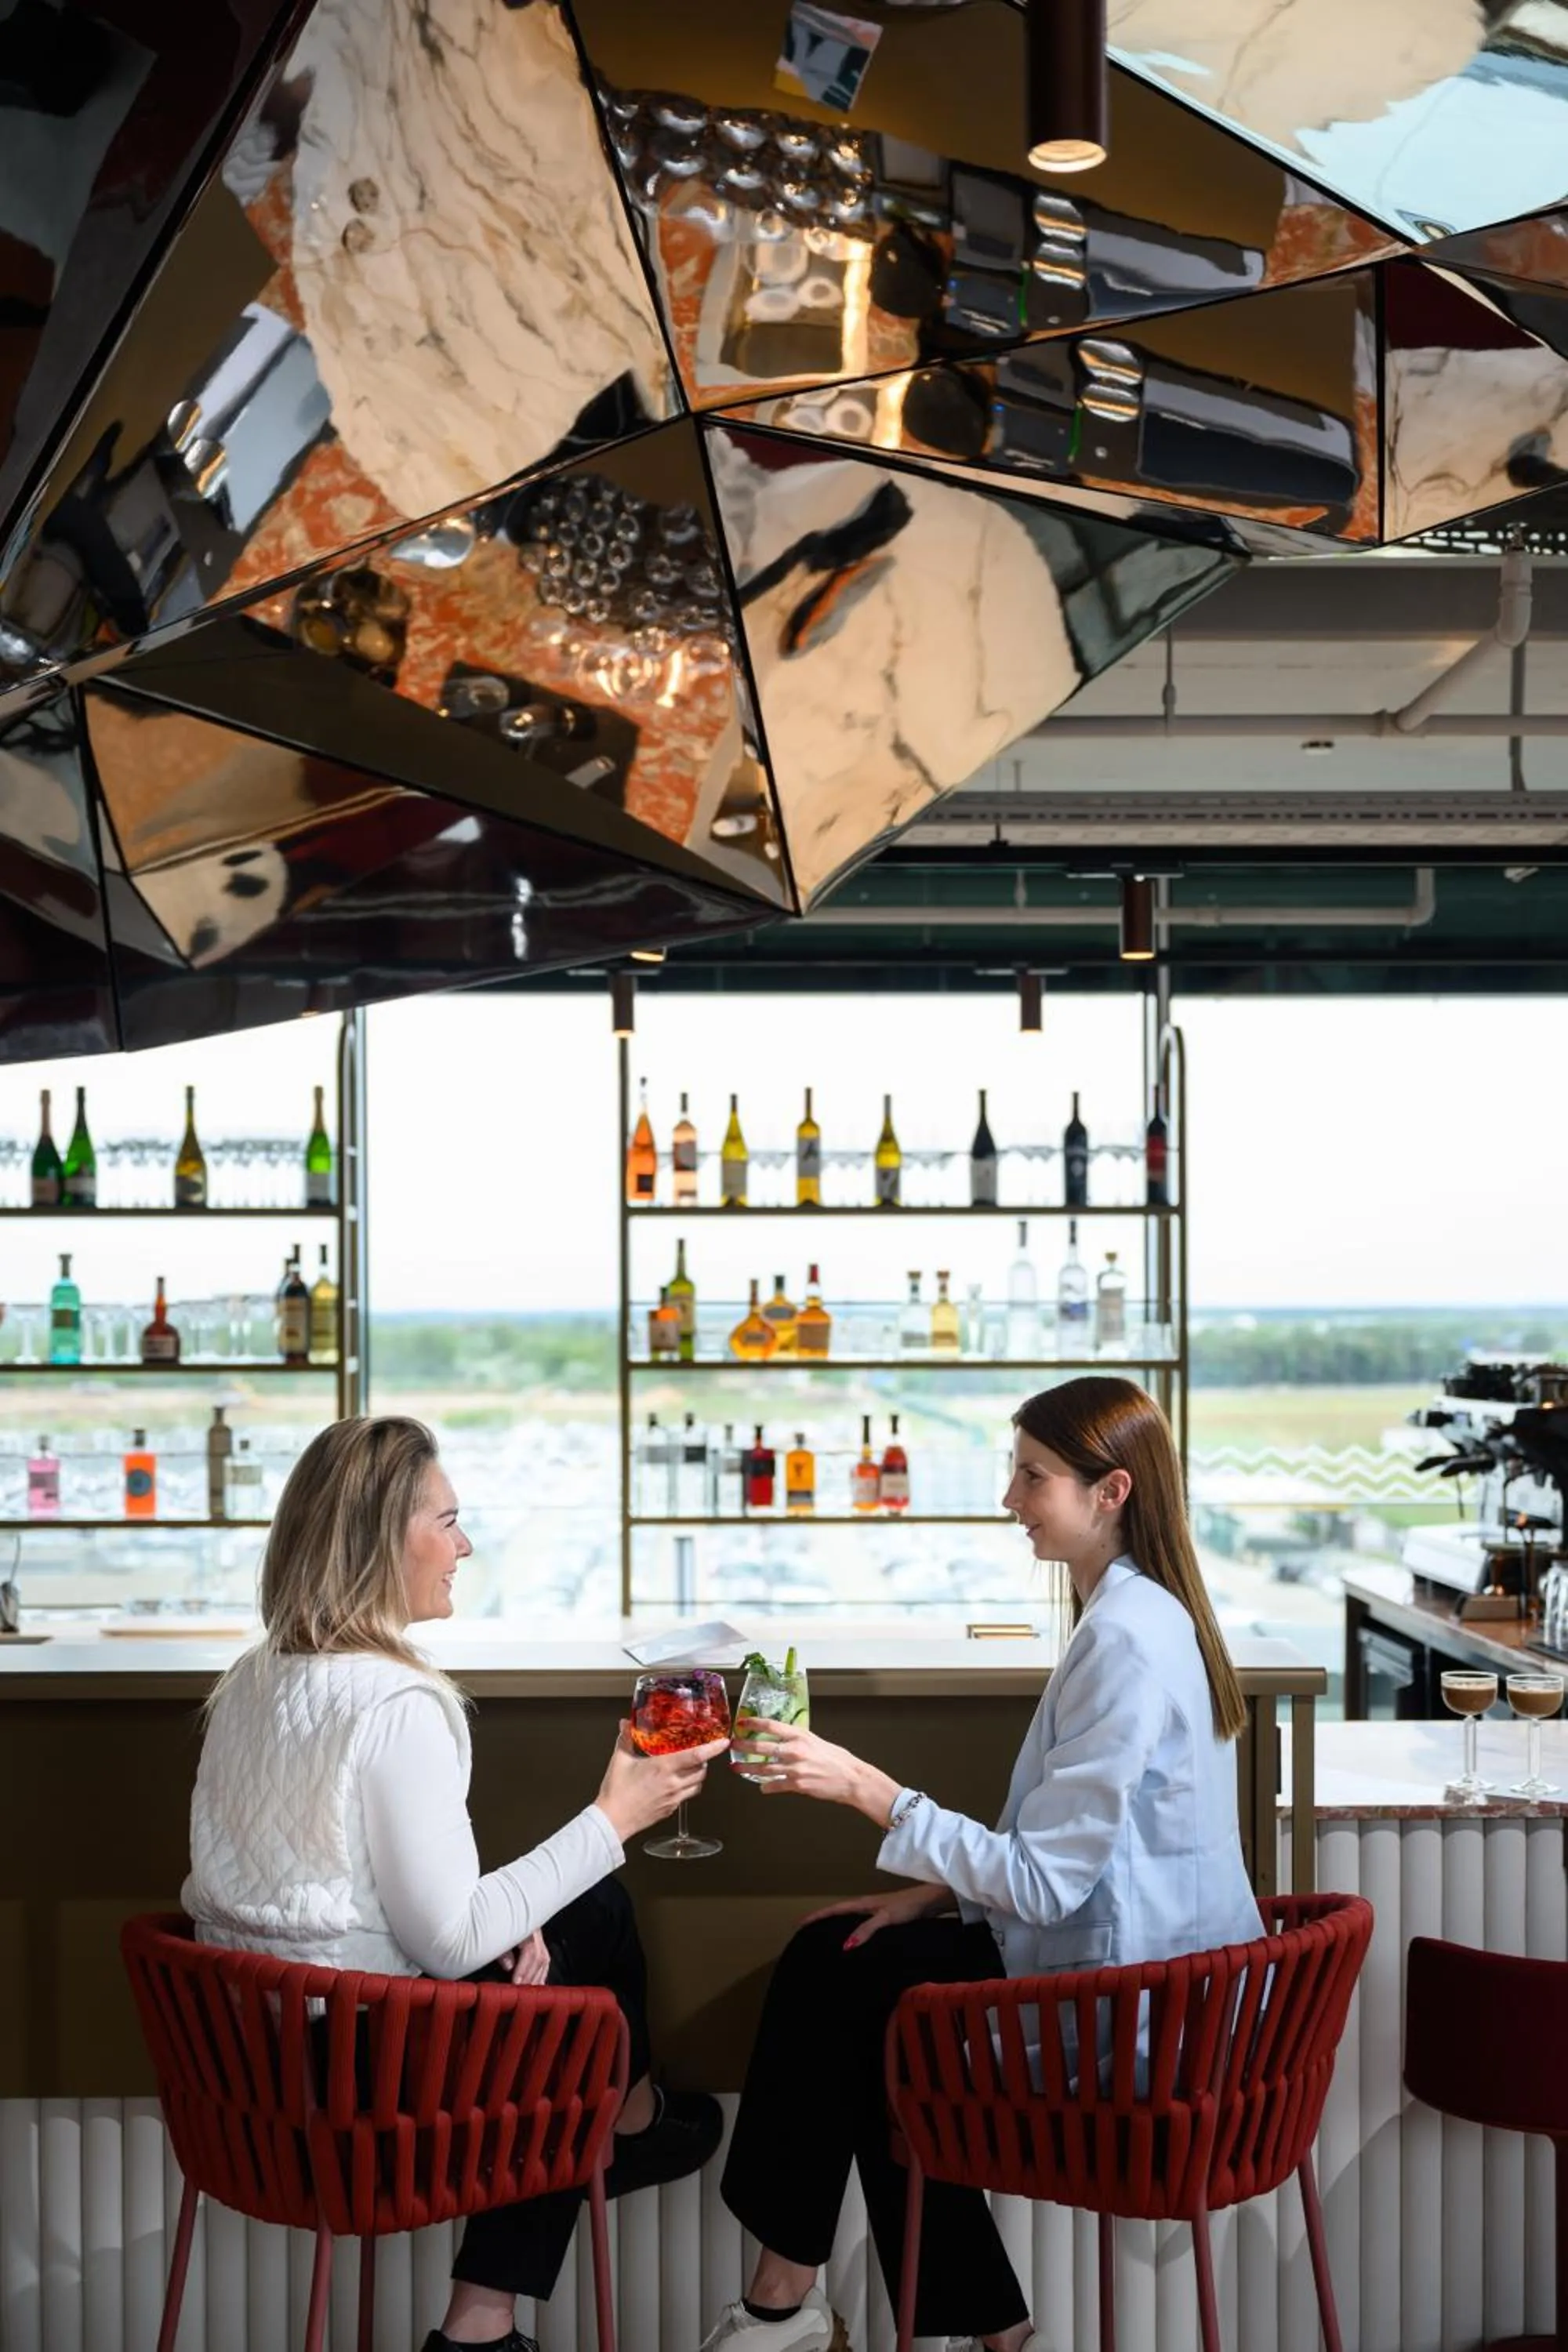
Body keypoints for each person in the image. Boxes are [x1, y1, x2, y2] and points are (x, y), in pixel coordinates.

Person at [703, 1376, 1264, 2352]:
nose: (1008, 1498)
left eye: (1031, 1476)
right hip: (1158, 1980)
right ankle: (902, 2319)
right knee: (843, 1964)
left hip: (1132, 2013)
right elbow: (1090, 1852)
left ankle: (783, 2304)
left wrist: (863, 1787)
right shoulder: (1144, 1614)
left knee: (856, 2005)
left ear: (1111, 1492)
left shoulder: (1125, 1640)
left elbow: (1049, 1883)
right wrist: (936, 1892)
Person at [183, 1414, 726, 2352]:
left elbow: (335, 1898)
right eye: (447, 1520)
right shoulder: (397, 1702)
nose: (463, 1545)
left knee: (559, 1927)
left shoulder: (248, 1681)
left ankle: (502, 2297)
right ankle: (613, 2138)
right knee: (586, 1961)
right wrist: (616, 1814)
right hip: (365, 2092)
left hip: (248, 2081)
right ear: (379, 1539)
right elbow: (441, 1944)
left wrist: (508, 1914)